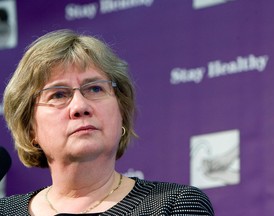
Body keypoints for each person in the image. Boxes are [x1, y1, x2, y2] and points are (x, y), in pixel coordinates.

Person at [0, 29, 214, 215]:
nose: (80, 107)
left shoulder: (175, 205)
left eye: (95, 88)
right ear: (30, 129)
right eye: (58, 95)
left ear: (121, 111)